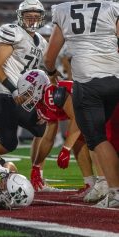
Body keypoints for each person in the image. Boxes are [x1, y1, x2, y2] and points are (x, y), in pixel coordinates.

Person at [44, 0, 119, 208]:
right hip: (115, 77)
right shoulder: (112, 7)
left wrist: (51, 73)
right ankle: (108, 187)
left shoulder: (63, 10)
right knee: (111, 135)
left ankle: (114, 191)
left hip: (87, 80)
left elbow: (49, 57)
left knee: (97, 138)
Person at [0, 0, 48, 181]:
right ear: (20, 17)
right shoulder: (13, 32)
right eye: (28, 16)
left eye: (36, 16)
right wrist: (14, 90)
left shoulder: (41, 42)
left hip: (20, 95)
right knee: (8, 143)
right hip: (1, 92)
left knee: (43, 128)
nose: (32, 20)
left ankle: (37, 176)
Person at [15, 70, 101, 200]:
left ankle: (105, 182)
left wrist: (66, 148)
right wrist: (36, 166)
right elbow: (48, 138)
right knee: (78, 140)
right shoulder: (41, 103)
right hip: (89, 112)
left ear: (39, 86)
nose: (27, 97)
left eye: (28, 92)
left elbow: (77, 120)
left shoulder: (55, 92)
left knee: (95, 140)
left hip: (100, 106)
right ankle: (91, 184)